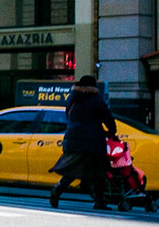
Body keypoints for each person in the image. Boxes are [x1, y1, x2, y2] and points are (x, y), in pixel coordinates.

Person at [50, 75, 117, 210]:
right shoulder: (95, 99)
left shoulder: (72, 98)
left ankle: (58, 189)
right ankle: (99, 201)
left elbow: (68, 115)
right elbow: (107, 116)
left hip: (72, 138)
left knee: (73, 168)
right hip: (93, 140)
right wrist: (112, 130)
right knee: (99, 171)